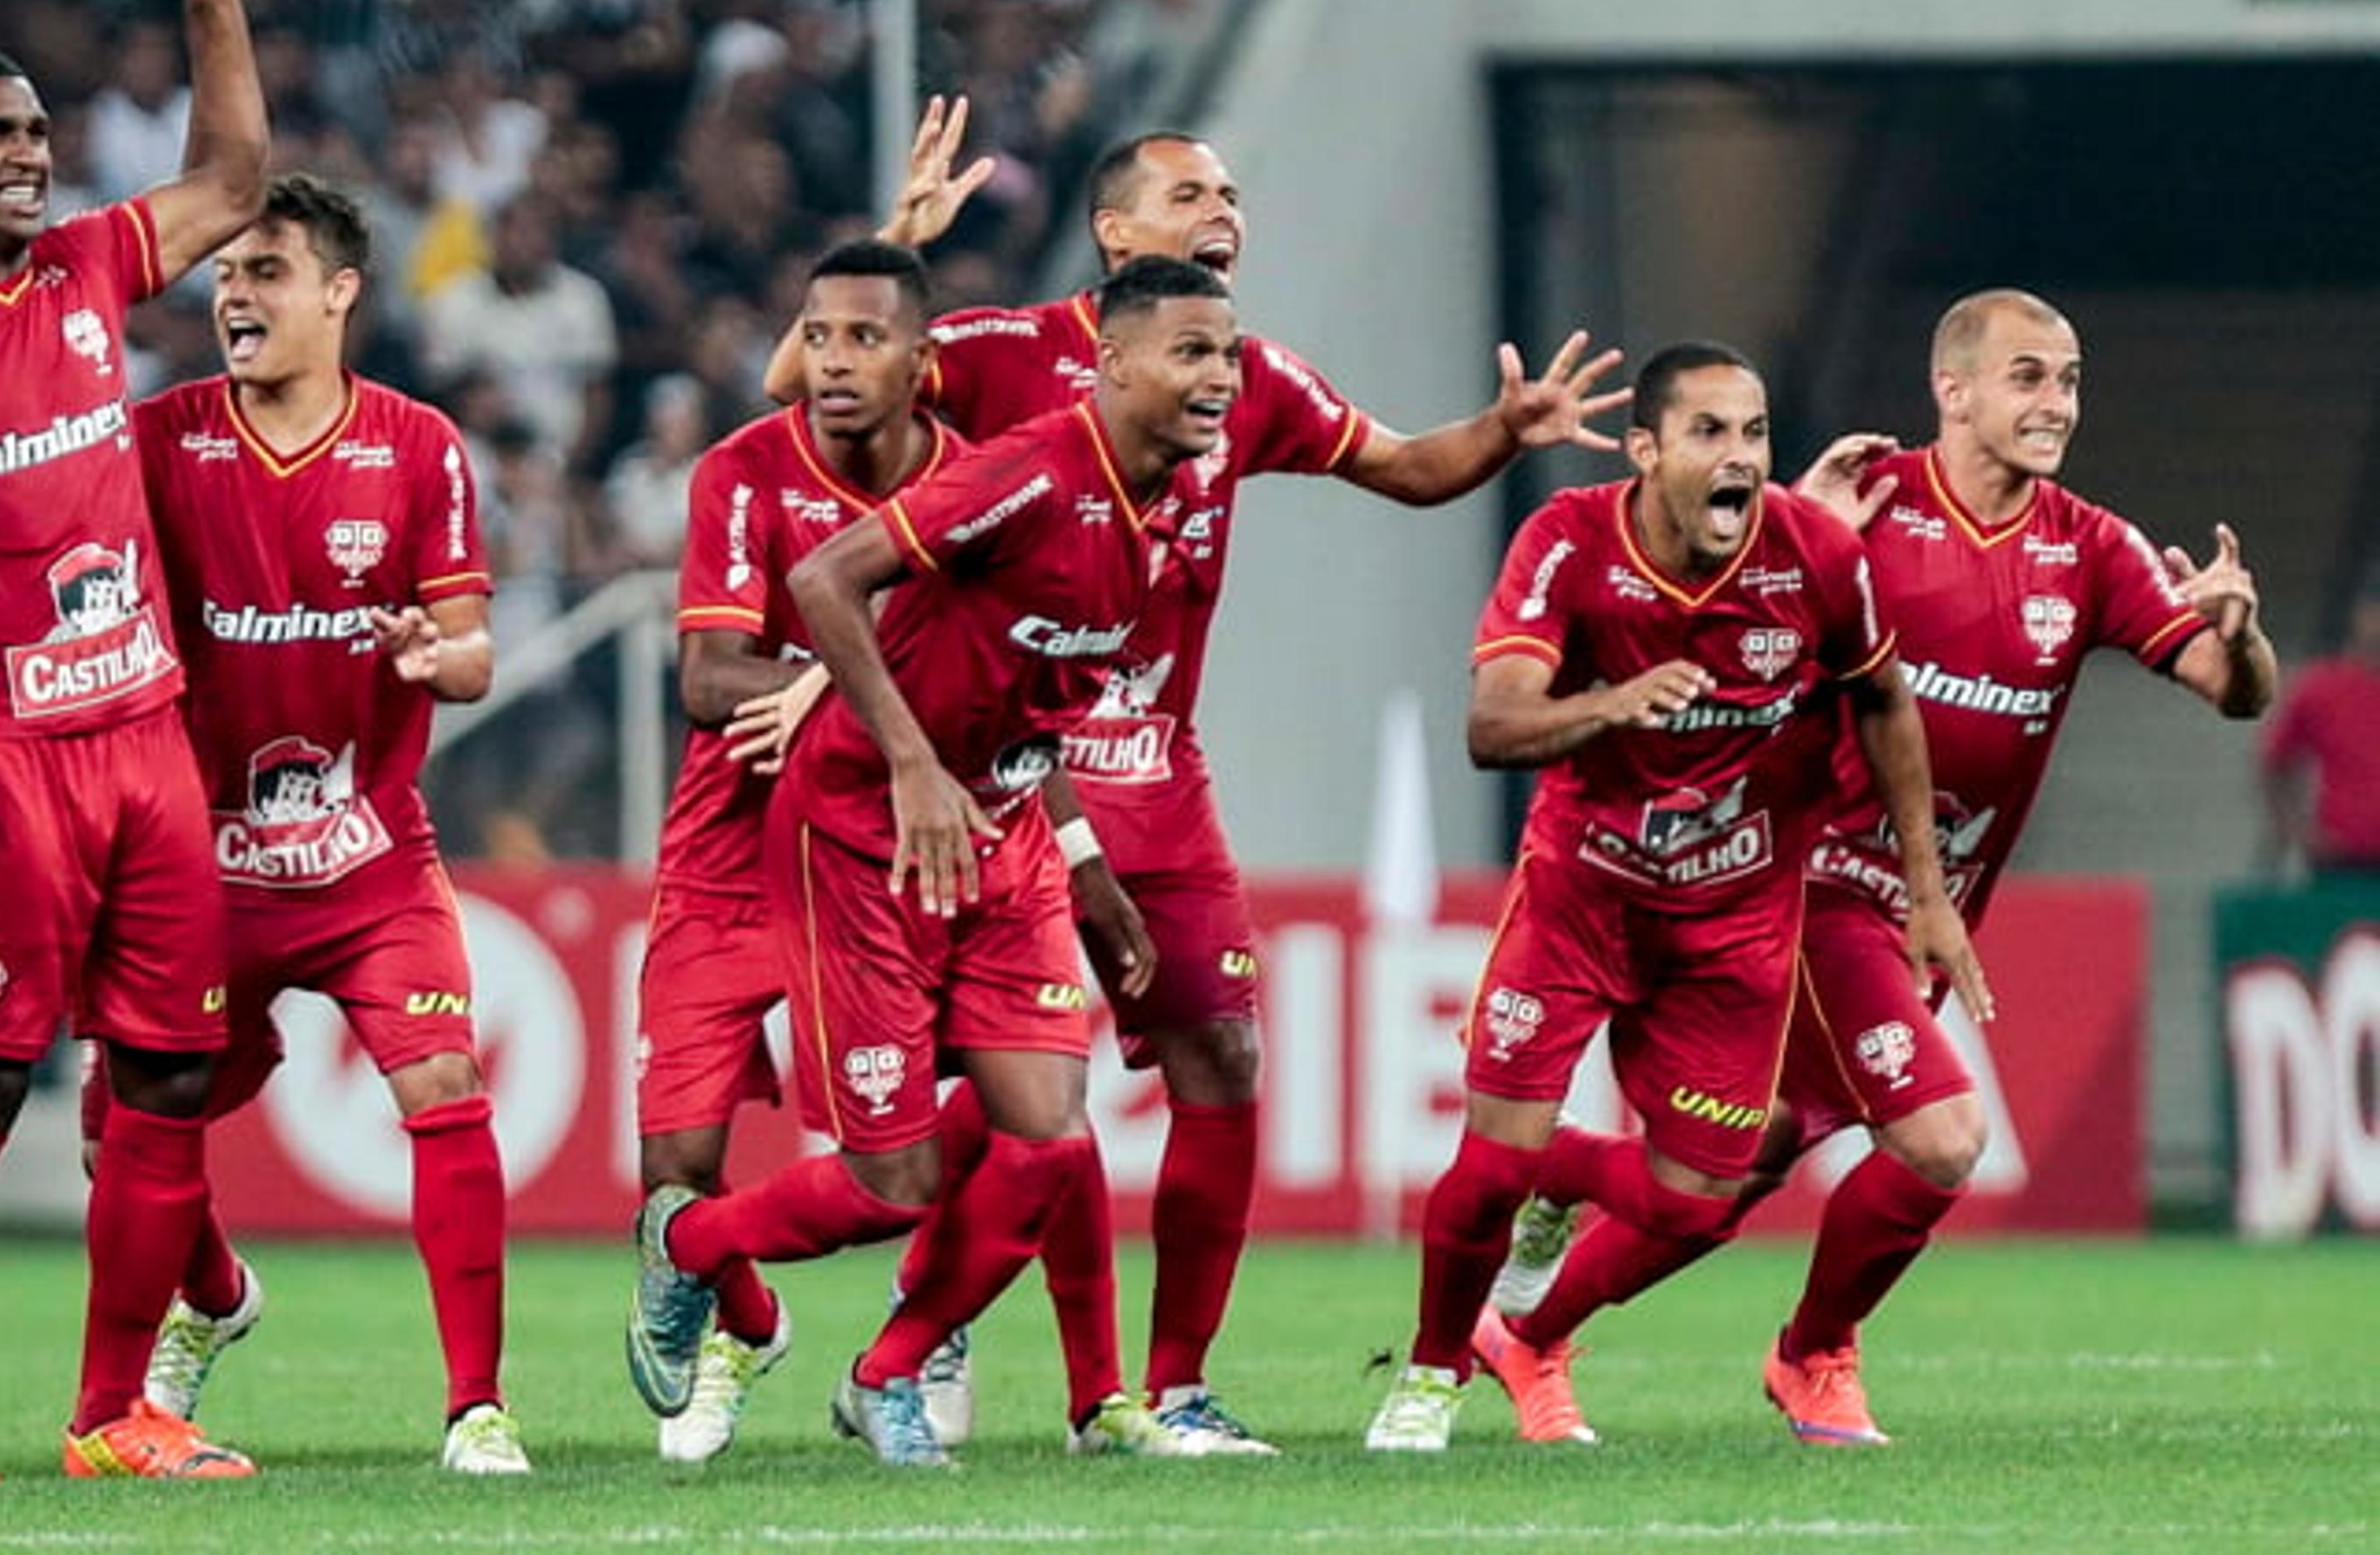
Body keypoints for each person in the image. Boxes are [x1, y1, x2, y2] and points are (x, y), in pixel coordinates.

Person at [766, 119, 1628, 1452]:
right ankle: (949, 1333)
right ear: (1115, 236)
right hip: (1012, 779)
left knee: (1220, 1052)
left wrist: (1505, 435)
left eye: (1234, 190)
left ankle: (1169, 1387)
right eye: (1190, 191)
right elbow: (816, 391)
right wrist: (894, 257)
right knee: (1009, 1096)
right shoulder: (1001, 353)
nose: (1226, 207)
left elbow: (1403, 469)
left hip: (1155, 774)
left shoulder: (1246, 376)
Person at [1477, 291, 2275, 1446]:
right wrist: (1794, 527)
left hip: (1923, 910)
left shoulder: (2087, 546)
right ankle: (1812, 1357)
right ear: (1953, 390)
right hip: (1809, 887)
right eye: (2028, 377)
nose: (2057, 404)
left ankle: (1531, 1314)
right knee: (1945, 1139)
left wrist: (2241, 631)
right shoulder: (1865, 501)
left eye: (2070, 380)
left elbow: (2231, 692)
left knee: (1737, 1166)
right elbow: (1704, 631)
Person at [626, 255, 1238, 1470]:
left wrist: (1080, 858)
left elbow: (1027, 694)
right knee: (890, 1182)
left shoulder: (1156, 511)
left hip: (995, 837)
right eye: (1193, 353)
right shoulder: (1025, 472)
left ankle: (889, 1371)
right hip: (857, 829)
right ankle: (690, 1249)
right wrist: (906, 760)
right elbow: (821, 580)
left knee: (1050, 1140)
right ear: (1115, 364)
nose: (1220, 377)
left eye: (1226, 354)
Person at [1362, 340, 1988, 1453]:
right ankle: (1430, 1373)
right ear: (1646, 450)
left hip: (1735, 921)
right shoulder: (1566, 542)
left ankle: (1559, 1176)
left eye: (1753, 434)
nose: (1738, 457)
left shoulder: (1816, 554)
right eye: (1710, 433)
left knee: (1700, 1196)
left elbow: (1885, 702)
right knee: (1490, 1163)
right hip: (1580, 897)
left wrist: (1927, 893)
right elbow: (1492, 725)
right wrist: (1610, 705)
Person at [0, 0, 269, 1485]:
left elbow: (233, 183)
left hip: (146, 740)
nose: (31, 155)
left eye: (36, 128)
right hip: (6, 754)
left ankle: (115, 1413)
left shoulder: (91, 264)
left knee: (168, 1074)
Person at [118, 173, 523, 1474]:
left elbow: (473, 656)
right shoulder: (160, 438)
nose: (235, 294)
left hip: (363, 851)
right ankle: (218, 1295)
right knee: (124, 1126)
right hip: (201, 858)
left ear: (340, 292)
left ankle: (476, 1409)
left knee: (447, 1087)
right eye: (226, 274)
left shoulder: (414, 447)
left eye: (267, 271)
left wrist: (428, 656)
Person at [634, 238, 978, 1462]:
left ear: (922, 366)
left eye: (864, 339)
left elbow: (996, 684)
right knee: (673, 1175)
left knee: (998, 1106)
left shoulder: (977, 487)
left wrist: (849, 711)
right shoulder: (744, 473)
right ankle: (748, 1323)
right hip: (731, 850)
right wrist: (862, 697)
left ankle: (929, 1332)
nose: (832, 362)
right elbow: (706, 677)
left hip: (894, 852)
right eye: (817, 335)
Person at [2262, 573, 2380, 880]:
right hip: (2342, 859)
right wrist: (2300, 832)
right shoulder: (2320, 687)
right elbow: (2274, 762)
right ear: (2360, 616)